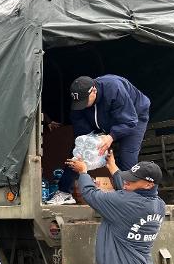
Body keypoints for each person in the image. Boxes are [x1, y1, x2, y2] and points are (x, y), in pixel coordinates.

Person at [47, 75, 151, 205]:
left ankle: (127, 198)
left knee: (127, 156)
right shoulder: (79, 103)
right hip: (104, 118)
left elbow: (130, 121)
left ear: (94, 91)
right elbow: (80, 132)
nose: (82, 105)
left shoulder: (114, 88)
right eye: (79, 103)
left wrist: (111, 136)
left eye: (85, 101)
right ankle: (64, 192)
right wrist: (87, 143)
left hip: (134, 115)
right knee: (78, 151)